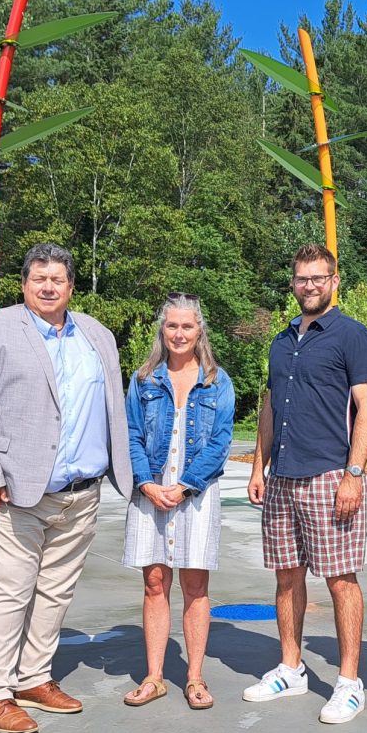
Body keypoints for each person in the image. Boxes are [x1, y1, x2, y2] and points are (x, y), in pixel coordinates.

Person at [0, 243, 132, 733]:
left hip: (80, 494)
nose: (48, 287)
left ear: (71, 285)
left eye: (57, 279)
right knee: (6, 594)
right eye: (38, 278)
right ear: (24, 283)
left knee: (54, 593)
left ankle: (32, 677)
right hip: (11, 493)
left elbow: (112, 406)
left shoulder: (97, 334)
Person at [245, 243, 367, 724]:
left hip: (330, 477)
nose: (310, 286)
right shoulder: (280, 341)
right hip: (282, 477)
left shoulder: (353, 337)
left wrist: (354, 474)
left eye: (318, 278)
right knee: (286, 576)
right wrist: (258, 467)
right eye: (302, 279)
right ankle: (290, 668)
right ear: (293, 283)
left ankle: (349, 682)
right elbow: (270, 406)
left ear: (334, 280)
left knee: (341, 580)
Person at [121, 294, 235, 710]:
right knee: (154, 583)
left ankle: (194, 677)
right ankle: (154, 677)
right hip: (151, 490)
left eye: (187, 326)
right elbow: (131, 433)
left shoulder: (217, 380)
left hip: (197, 493)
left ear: (199, 330)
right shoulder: (143, 379)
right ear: (162, 329)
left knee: (195, 585)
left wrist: (185, 485)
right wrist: (147, 484)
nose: (179, 334)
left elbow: (221, 441)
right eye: (172, 326)